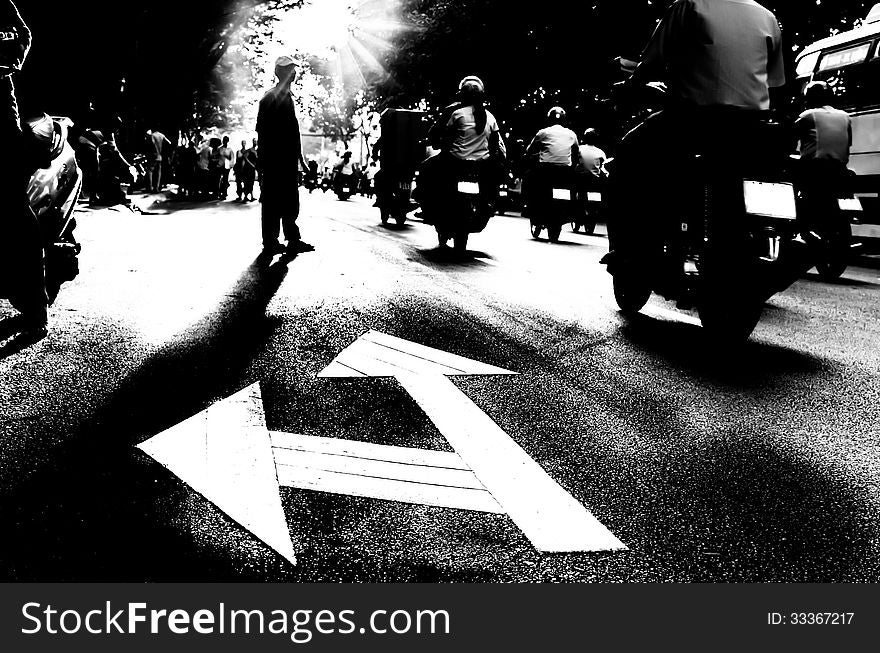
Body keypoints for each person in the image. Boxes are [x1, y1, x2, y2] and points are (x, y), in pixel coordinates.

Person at [609, 0, 787, 260]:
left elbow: (651, 62)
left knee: (627, 154)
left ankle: (629, 250)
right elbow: (776, 83)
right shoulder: (767, 16)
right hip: (751, 128)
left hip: (692, 119)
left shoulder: (688, 6)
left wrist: (629, 87)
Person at [0, 0, 48, 340]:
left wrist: (7, 62)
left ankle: (35, 310)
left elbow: (22, 34)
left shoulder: (1, 4)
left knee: (12, 207)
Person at [420, 76, 507, 225]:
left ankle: (426, 205)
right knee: (497, 177)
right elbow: (495, 145)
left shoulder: (455, 113)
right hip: (481, 165)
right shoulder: (490, 117)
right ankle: (490, 203)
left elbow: (442, 136)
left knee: (425, 168)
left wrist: (438, 144)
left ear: (461, 94)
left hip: (454, 162)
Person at [256, 56, 312, 255]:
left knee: (289, 200)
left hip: (286, 161)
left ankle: (292, 239)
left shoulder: (287, 97)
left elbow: (293, 133)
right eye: (290, 70)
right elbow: (262, 132)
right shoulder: (270, 97)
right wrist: (261, 163)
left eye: (294, 70)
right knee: (272, 202)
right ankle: (270, 242)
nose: (294, 73)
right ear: (280, 73)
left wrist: (300, 160)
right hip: (274, 160)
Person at [794, 81, 853, 231]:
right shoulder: (846, 117)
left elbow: (788, 138)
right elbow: (848, 145)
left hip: (815, 172)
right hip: (841, 171)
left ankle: (801, 228)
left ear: (810, 98)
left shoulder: (808, 116)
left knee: (796, 192)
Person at [523, 106, 579, 218]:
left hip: (545, 170)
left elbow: (530, 150)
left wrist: (528, 156)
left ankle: (527, 205)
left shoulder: (543, 133)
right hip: (565, 171)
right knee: (573, 188)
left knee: (528, 178)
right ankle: (572, 210)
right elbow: (576, 153)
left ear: (549, 119)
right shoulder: (572, 134)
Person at [145, 128, 171, 193]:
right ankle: (156, 188)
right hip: (159, 156)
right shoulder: (162, 135)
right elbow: (169, 143)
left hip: (152, 156)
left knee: (150, 171)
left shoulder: (152, 135)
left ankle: (150, 188)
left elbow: (152, 143)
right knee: (158, 172)